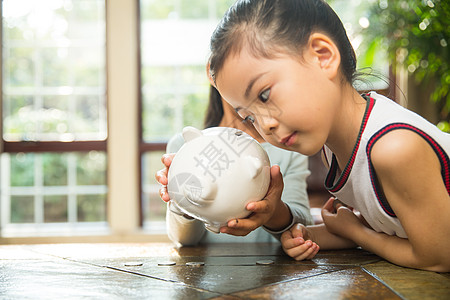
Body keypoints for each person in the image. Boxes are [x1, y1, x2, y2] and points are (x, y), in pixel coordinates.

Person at [206, 0, 450, 271]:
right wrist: (308, 236)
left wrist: (357, 234)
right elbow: (391, 226)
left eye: (264, 95)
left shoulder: (394, 147)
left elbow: (438, 256)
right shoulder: (334, 147)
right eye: (249, 117)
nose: (265, 126)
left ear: (323, 56)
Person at [156, 85, 313, 246]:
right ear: (213, 74)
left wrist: (273, 212)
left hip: (269, 266)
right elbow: (182, 239)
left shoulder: (287, 148)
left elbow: (305, 229)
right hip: (200, 267)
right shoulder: (184, 145)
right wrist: (182, 200)